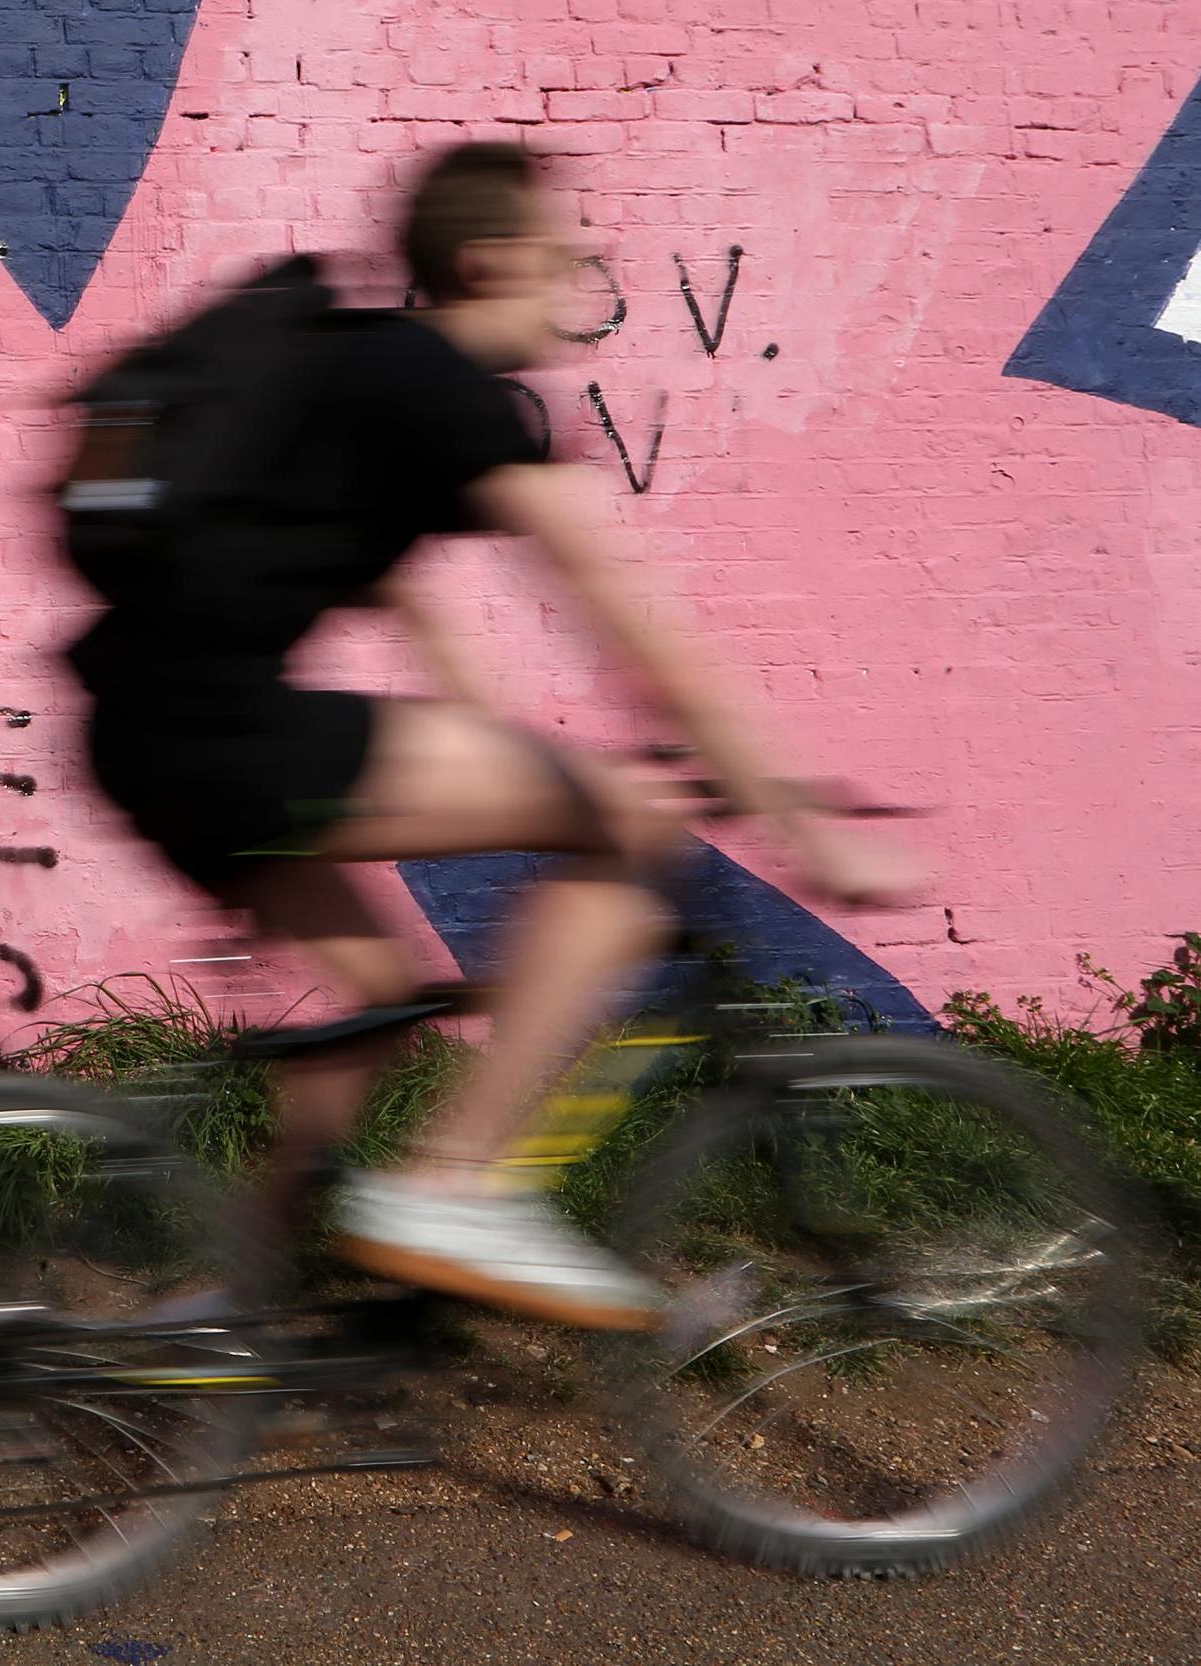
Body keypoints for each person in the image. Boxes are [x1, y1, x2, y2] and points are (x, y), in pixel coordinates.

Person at [64, 141, 909, 1330]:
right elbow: (621, 608)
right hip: (221, 731)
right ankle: (456, 1187)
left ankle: (228, 1306)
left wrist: (469, 717)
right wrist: (784, 806)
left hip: (142, 729)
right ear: (485, 257)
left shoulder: (359, 372)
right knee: (624, 824)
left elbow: (366, 568)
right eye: (564, 258)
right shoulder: (438, 383)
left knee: (372, 1001)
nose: (581, 283)